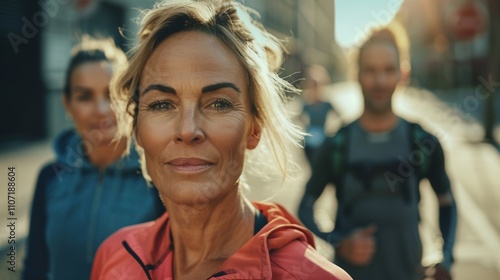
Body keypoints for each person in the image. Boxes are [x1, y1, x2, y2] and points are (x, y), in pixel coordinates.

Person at [90, 1, 352, 279]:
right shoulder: (114, 258)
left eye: (218, 103)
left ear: (254, 128)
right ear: (137, 128)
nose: (188, 130)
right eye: (162, 105)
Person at [298, 29, 457, 280]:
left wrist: (444, 256)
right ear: (357, 75)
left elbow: (447, 203)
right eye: (370, 70)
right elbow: (305, 207)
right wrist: (338, 241)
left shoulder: (423, 142)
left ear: (402, 74)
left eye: (388, 70)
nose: (380, 81)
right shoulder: (337, 144)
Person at [22, 37, 165, 280]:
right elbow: (35, 266)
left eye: (111, 94)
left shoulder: (157, 176)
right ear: (68, 104)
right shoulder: (50, 177)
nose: (100, 109)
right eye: (84, 96)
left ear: (130, 98)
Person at [300, 64, 336, 164]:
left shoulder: (327, 104)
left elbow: (339, 116)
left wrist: (331, 130)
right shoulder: (306, 105)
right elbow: (299, 117)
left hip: (323, 140)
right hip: (309, 141)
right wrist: (306, 128)